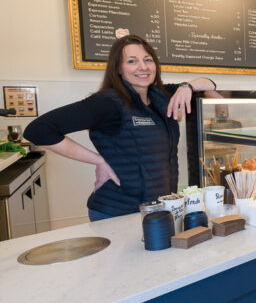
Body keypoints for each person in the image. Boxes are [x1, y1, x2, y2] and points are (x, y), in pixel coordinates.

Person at [24, 34, 216, 221]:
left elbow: (209, 83)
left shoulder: (162, 95)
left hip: (157, 208)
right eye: (132, 61)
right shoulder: (108, 102)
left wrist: (186, 86)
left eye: (148, 60)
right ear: (118, 68)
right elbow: (38, 130)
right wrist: (98, 161)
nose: (143, 67)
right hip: (117, 211)